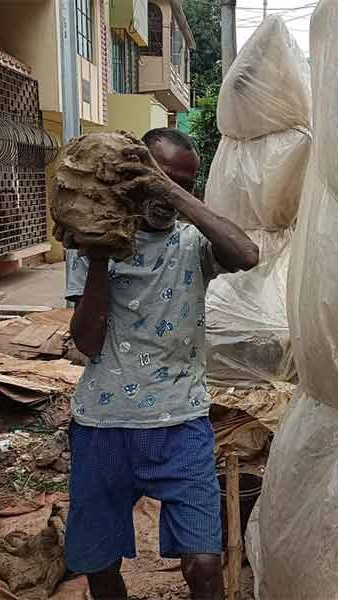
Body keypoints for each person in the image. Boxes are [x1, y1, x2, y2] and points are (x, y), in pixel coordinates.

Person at [63, 128, 259, 600]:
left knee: (206, 566)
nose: (167, 193)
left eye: (183, 183)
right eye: (156, 175)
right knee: (100, 565)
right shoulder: (94, 241)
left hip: (181, 425)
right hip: (103, 426)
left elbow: (248, 254)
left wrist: (171, 191)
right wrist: (97, 260)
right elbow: (87, 343)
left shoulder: (193, 244)